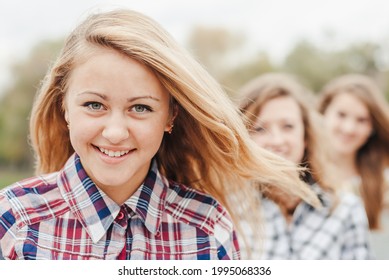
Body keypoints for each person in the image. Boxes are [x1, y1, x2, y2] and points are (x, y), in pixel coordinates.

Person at [0, 9, 319, 260]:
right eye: (94, 104)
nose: (114, 132)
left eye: (140, 108)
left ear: (171, 116)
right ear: (65, 108)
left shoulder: (207, 228)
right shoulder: (15, 219)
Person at [237, 72, 372, 259]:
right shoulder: (226, 212)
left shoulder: (346, 211)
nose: (277, 140)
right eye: (260, 128)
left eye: (288, 126)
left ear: (306, 136)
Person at [317, 73, 389, 259]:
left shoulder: (384, 184)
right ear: (323, 113)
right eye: (341, 115)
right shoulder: (302, 174)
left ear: (372, 127)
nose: (349, 128)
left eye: (361, 120)